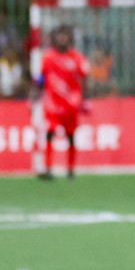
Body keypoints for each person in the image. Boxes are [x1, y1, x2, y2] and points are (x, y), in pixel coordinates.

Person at [35, 25, 89, 179]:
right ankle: (48, 168)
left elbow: (84, 78)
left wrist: (84, 100)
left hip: (71, 103)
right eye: (59, 36)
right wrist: (35, 94)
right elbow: (41, 78)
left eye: (65, 36)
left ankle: (71, 169)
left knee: (71, 136)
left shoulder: (76, 57)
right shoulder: (48, 57)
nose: (62, 39)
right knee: (50, 134)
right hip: (52, 104)